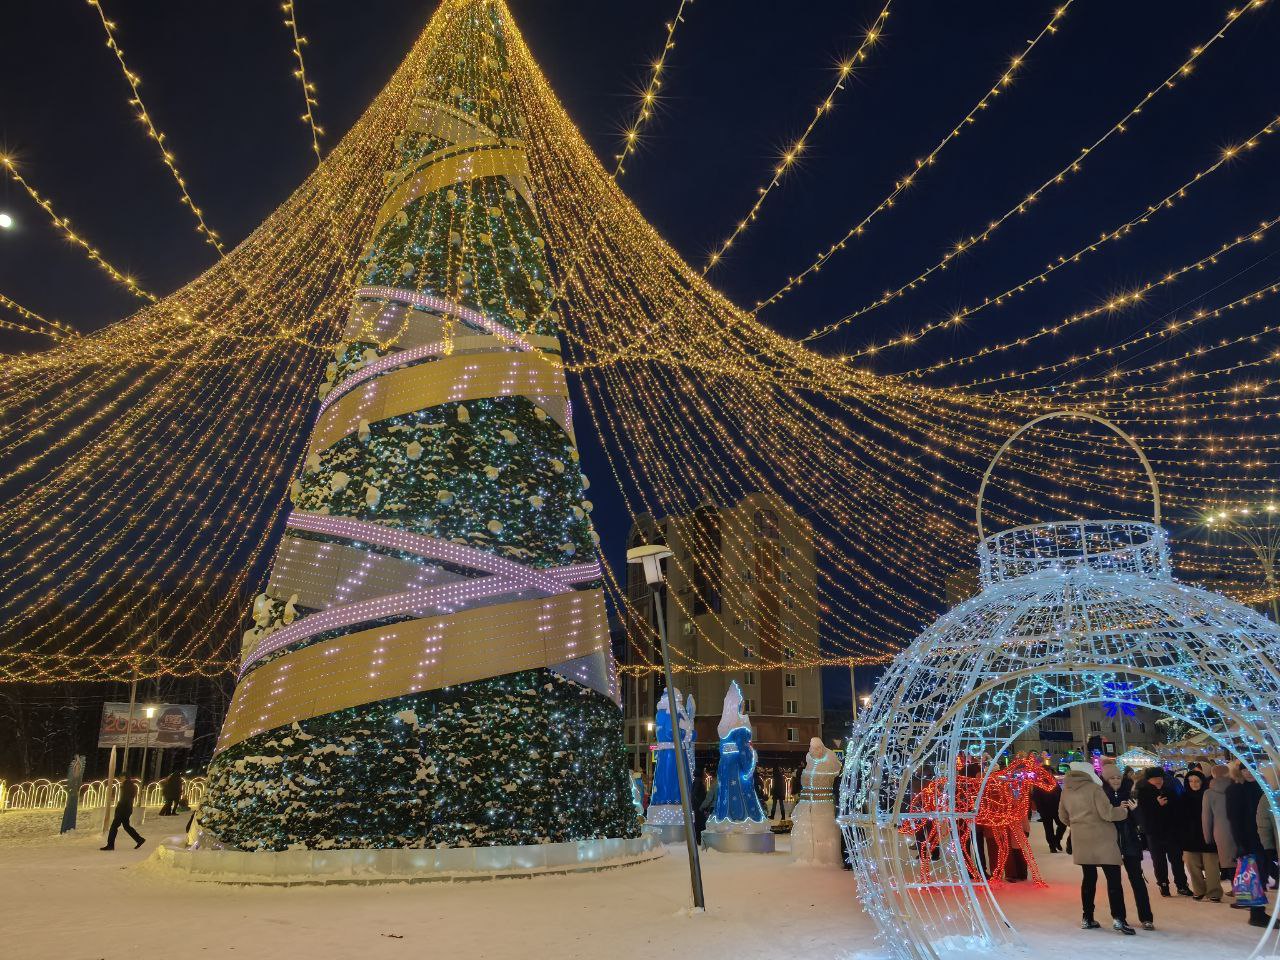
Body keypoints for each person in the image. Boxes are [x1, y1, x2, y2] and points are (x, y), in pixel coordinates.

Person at [1060, 760, 1138, 935]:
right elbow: (1108, 813)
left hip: (1082, 841)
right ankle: (1119, 918)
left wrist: (1078, 826)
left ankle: (1087, 917)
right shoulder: (1095, 789)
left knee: (1088, 879)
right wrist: (1123, 811)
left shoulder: (1066, 791)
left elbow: (1062, 816)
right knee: (1113, 880)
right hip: (1102, 840)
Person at [1102, 762, 1155, 929]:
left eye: (1118, 777)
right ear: (1105, 779)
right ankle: (1118, 916)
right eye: (1112, 778)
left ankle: (1146, 917)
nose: (1116, 780)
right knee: (1114, 883)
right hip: (1110, 844)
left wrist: (1136, 810)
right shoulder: (1101, 796)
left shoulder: (1132, 794)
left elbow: (1144, 824)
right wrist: (1115, 810)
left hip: (1130, 842)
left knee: (1137, 881)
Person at [1136, 767, 1192, 897]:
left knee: (1177, 860)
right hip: (1154, 833)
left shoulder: (1169, 790)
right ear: (1148, 780)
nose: (1158, 781)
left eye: (1160, 778)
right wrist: (1156, 805)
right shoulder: (1142, 793)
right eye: (1155, 778)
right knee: (1159, 861)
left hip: (1171, 832)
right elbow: (1141, 814)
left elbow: (1177, 810)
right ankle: (1163, 884)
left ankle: (1182, 885)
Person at [1227, 763, 1271, 928]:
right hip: (1248, 839)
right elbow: (1233, 819)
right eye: (1244, 769)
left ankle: (1258, 911)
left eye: (1251, 768)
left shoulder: (1260, 786)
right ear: (1239, 771)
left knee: (1261, 874)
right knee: (1254, 876)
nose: (1248, 772)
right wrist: (1240, 844)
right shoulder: (1235, 790)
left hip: (1262, 837)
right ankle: (1257, 914)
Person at [1179, 769, 1221, 902]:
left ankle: (1214, 891)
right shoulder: (1183, 797)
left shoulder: (1209, 795)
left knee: (1211, 867)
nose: (1194, 784)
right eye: (1190, 781)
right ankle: (1199, 890)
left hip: (1208, 836)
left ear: (1202, 782)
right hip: (1189, 838)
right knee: (1192, 866)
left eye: (1197, 781)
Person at [1205, 763, 1238, 887]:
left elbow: (1206, 817)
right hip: (1237, 828)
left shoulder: (1209, 793)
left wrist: (1208, 837)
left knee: (1228, 861)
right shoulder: (1236, 787)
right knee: (1239, 859)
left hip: (1221, 830)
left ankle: (1236, 888)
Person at [100, 772, 146, 851]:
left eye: (121, 777)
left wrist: (119, 809)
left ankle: (110, 845)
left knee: (114, 827)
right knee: (126, 826)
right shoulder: (131, 785)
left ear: (125, 777)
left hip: (123, 810)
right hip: (127, 809)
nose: (120, 779)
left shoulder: (126, 785)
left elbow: (124, 799)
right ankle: (139, 839)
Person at [1031, 772, 1066, 853]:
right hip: (1046, 810)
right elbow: (1036, 798)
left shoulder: (1054, 783)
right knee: (1049, 828)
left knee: (1062, 825)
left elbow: (1060, 794)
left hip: (1056, 808)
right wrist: (1040, 809)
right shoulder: (1039, 784)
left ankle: (1056, 840)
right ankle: (1052, 845)